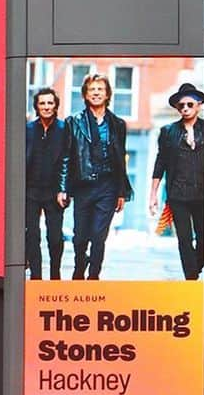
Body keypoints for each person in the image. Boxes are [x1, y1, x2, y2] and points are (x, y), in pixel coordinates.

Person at [57, 74, 132, 280]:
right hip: (83, 186)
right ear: (85, 94)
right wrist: (63, 188)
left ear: (107, 94)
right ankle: (80, 266)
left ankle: (94, 276)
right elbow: (66, 157)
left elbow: (120, 160)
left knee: (99, 236)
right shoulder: (73, 122)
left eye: (100, 89)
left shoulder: (118, 124)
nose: (96, 93)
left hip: (108, 186)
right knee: (80, 237)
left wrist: (121, 192)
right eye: (92, 89)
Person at [149, 82, 204, 280]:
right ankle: (190, 278)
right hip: (178, 194)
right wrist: (153, 195)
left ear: (199, 105)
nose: (185, 108)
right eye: (181, 106)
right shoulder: (168, 132)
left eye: (190, 104)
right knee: (183, 239)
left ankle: (197, 266)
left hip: (203, 194)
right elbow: (160, 163)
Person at [25, 88, 68, 280]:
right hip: (30, 190)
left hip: (54, 192)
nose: (46, 107)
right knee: (31, 235)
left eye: (50, 103)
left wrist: (63, 189)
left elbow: (68, 160)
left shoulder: (64, 129)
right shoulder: (28, 129)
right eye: (42, 103)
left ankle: (55, 274)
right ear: (36, 106)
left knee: (55, 237)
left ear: (56, 105)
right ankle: (36, 276)